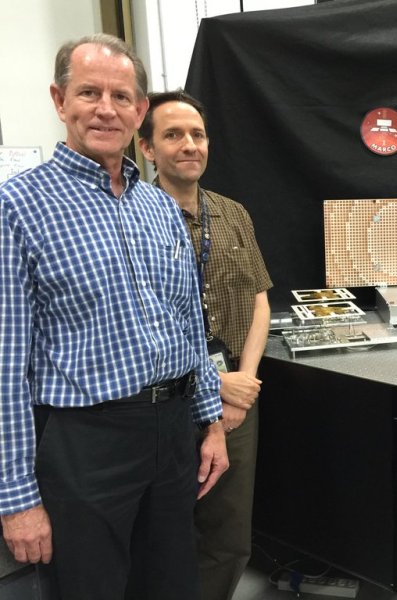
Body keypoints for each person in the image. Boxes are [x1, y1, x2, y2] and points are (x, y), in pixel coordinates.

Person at [0, 34, 228, 600]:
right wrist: (17, 498)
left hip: (174, 432)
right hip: (86, 442)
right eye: (89, 92)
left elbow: (187, 326)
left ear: (139, 110)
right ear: (59, 100)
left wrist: (212, 422)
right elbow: (6, 366)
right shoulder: (17, 207)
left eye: (122, 96)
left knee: (173, 584)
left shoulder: (159, 207)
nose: (106, 108)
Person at [139, 90, 273, 600]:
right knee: (168, 528)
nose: (188, 145)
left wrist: (244, 385)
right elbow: (138, 322)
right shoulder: (133, 221)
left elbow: (260, 299)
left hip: (240, 389)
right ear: (148, 148)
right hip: (168, 394)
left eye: (197, 134)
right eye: (172, 135)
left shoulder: (233, 213)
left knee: (229, 531)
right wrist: (217, 382)